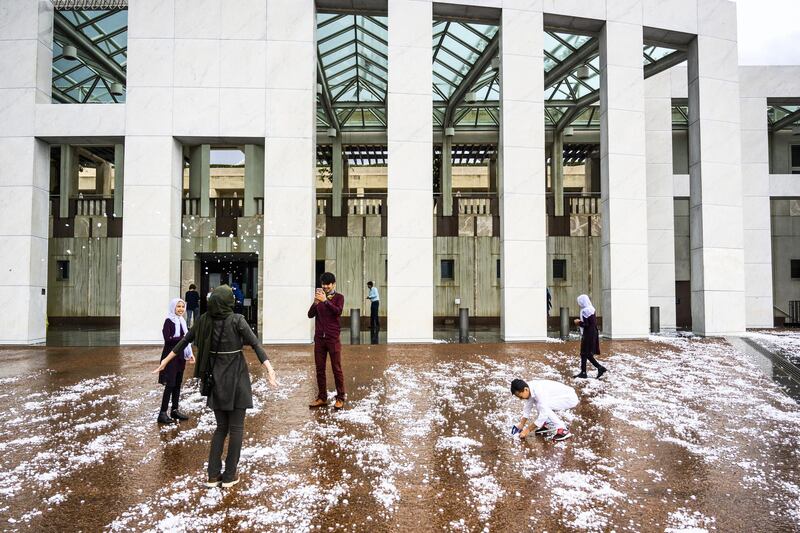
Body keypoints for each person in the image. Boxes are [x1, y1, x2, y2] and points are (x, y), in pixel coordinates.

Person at [155, 285, 277, 489]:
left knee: (221, 427)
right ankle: (229, 476)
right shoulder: (237, 320)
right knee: (236, 428)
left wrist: (166, 360)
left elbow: (185, 341)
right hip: (237, 377)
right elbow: (255, 344)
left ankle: (213, 475)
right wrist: (270, 369)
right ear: (229, 301)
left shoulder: (204, 320)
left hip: (216, 379)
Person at [308, 272, 346, 409]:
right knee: (319, 369)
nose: (325, 287)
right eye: (323, 284)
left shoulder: (339, 297)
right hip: (319, 339)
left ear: (333, 284)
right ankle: (322, 397)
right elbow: (310, 315)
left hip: (333, 338)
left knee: (337, 368)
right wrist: (315, 303)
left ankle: (340, 397)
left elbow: (338, 311)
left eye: (328, 284)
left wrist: (325, 301)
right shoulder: (319, 298)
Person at [156, 298, 195, 424]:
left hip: (180, 357)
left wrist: (190, 354)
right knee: (170, 384)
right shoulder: (168, 321)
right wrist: (182, 338)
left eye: (183, 307)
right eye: (178, 306)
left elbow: (187, 341)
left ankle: (174, 410)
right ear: (173, 307)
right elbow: (168, 339)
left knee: (178, 384)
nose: (181, 309)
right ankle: (162, 413)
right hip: (170, 357)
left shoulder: (182, 321)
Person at [510, 378, 578, 442]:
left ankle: (563, 429)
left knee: (543, 406)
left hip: (569, 398)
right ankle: (548, 424)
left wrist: (528, 430)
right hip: (559, 398)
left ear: (526, 389)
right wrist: (521, 424)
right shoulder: (528, 388)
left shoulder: (538, 391)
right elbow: (528, 407)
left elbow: (544, 413)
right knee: (540, 404)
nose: (521, 399)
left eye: (521, 397)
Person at [573, 294, 607, 379]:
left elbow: (586, 324)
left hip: (588, 334)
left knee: (586, 353)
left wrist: (578, 322)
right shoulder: (591, 309)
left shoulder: (585, 311)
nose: (579, 303)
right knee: (584, 353)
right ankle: (583, 372)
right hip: (592, 333)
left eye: (579, 302)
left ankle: (600, 368)